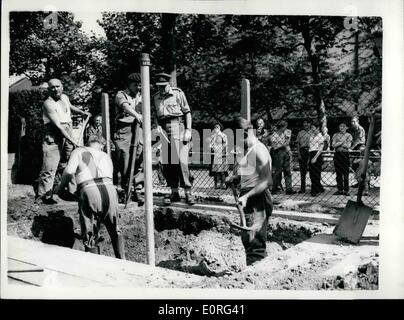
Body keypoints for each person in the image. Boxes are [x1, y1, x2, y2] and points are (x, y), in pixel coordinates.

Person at [55, 135, 125, 259]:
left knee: (90, 232)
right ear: (102, 145)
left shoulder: (79, 151)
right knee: (114, 229)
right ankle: (123, 262)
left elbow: (69, 171)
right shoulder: (106, 156)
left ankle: (94, 266)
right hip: (110, 189)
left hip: (89, 189)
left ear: (88, 143)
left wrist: (59, 188)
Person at [226, 117, 273, 266]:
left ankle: (255, 277)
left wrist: (246, 196)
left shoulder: (259, 150)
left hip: (257, 199)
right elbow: (252, 174)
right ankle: (254, 272)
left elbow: (267, 180)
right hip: (250, 198)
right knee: (249, 239)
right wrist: (236, 177)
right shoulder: (249, 151)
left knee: (254, 242)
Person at [36, 78, 91, 204]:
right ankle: (44, 196)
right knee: (50, 167)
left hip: (68, 131)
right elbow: (59, 126)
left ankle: (71, 192)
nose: (55, 89)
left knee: (70, 163)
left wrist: (83, 112)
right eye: (52, 87)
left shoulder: (64, 97)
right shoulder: (48, 104)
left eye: (58, 86)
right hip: (54, 134)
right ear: (49, 90)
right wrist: (73, 140)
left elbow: (70, 107)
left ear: (62, 87)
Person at [153, 72, 195, 205]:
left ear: (169, 84)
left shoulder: (178, 93)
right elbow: (155, 114)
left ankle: (188, 192)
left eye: (163, 85)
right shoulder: (155, 97)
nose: (161, 88)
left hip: (177, 125)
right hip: (163, 129)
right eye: (159, 86)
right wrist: (157, 126)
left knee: (181, 161)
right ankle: (174, 192)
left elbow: (187, 112)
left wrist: (188, 129)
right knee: (167, 162)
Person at [113, 73, 144, 204]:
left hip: (139, 129)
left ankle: (137, 189)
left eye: (140, 85)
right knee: (124, 160)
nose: (138, 87)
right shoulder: (121, 94)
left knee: (138, 157)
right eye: (135, 85)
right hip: (124, 129)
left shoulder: (143, 96)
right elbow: (125, 106)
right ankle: (125, 189)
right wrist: (136, 114)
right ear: (129, 84)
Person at [269, 120, 295, 194]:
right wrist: (283, 144)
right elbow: (274, 147)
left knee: (287, 171)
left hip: (285, 152)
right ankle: (274, 188)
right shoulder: (274, 135)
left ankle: (289, 189)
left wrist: (288, 149)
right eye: (285, 127)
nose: (286, 129)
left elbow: (287, 143)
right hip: (278, 153)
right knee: (278, 172)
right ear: (281, 127)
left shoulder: (285, 134)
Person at [332, 122, 353, 196]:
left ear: (347, 127)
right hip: (337, 155)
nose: (342, 128)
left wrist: (339, 143)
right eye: (340, 126)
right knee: (338, 173)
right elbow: (333, 145)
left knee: (346, 173)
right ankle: (340, 189)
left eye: (343, 126)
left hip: (345, 155)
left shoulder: (349, 135)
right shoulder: (335, 135)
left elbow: (348, 146)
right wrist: (342, 142)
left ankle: (346, 190)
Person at [208, 122, 228, 189]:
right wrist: (211, 146)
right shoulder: (213, 136)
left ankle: (223, 183)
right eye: (215, 127)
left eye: (217, 127)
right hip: (215, 155)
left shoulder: (223, 135)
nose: (216, 128)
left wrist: (222, 150)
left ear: (220, 128)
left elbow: (226, 144)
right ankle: (216, 184)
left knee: (222, 171)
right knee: (216, 171)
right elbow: (211, 145)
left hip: (222, 155)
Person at [308, 123, 325, 196]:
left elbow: (320, 148)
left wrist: (315, 157)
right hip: (311, 153)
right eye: (311, 127)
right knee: (312, 173)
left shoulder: (320, 136)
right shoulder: (311, 136)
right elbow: (310, 146)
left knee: (316, 173)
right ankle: (319, 187)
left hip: (317, 154)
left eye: (313, 127)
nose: (312, 129)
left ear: (318, 128)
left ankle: (314, 190)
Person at [296, 120, 311, 193]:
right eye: (304, 123)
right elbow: (298, 144)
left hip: (311, 151)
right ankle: (302, 187)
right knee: (302, 171)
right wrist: (299, 154)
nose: (305, 125)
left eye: (307, 123)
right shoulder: (300, 133)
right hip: (302, 151)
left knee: (312, 170)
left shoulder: (312, 132)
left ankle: (315, 187)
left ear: (309, 124)